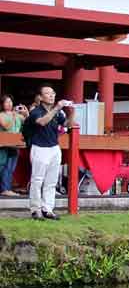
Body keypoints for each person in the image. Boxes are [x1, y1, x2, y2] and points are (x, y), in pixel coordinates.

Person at [25, 85, 71, 220]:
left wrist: (72, 112)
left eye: (53, 93)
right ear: (40, 97)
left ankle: (48, 208)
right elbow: (42, 122)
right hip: (39, 147)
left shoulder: (58, 112)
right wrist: (57, 107)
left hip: (54, 147)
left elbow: (68, 124)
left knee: (51, 181)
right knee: (37, 180)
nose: (51, 96)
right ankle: (35, 209)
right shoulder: (36, 111)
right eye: (48, 93)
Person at [0, 95, 27, 196]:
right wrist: (13, 116)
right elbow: (6, 126)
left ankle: (6, 188)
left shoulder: (17, 115)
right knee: (2, 166)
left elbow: (28, 124)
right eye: (6, 102)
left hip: (15, 144)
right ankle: (4, 189)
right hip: (3, 145)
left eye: (11, 102)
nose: (9, 104)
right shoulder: (1, 115)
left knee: (10, 168)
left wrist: (26, 113)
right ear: (2, 104)